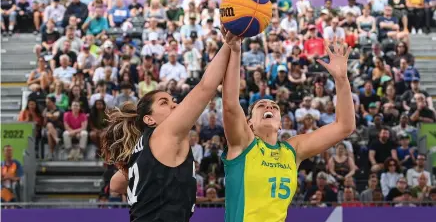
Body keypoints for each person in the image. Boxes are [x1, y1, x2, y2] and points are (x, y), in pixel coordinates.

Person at [101, 27, 238, 221]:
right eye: (164, 102)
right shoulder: (164, 133)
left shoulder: (145, 147)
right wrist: (228, 43)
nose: (174, 104)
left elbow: (115, 186)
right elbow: (205, 88)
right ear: (149, 119)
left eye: (173, 100)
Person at [221, 38, 355, 221]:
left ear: (281, 124)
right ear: (248, 123)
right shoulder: (243, 144)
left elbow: (344, 127)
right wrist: (235, 52)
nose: (269, 107)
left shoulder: (291, 150)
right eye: (262, 105)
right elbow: (230, 104)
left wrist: (341, 80)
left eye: (274, 107)